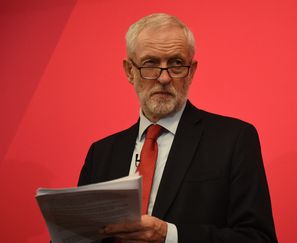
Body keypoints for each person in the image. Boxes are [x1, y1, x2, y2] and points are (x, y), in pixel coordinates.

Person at [78, 13, 278, 243]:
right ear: (129, 71)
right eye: (150, 63)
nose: (164, 78)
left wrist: (169, 236)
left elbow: (258, 239)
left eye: (176, 64)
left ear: (191, 71)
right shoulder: (101, 154)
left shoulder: (234, 139)